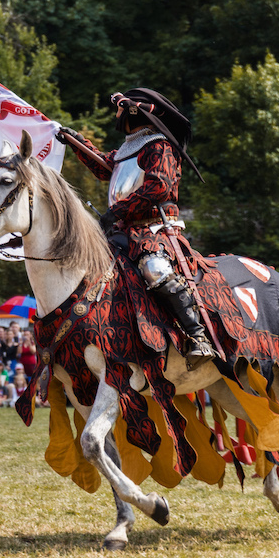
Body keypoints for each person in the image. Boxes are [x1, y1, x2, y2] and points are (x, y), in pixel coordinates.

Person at [63, 88, 215, 366]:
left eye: (120, 110)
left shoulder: (160, 145)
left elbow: (159, 187)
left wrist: (117, 210)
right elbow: (103, 167)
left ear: (134, 113)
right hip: (123, 229)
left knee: (154, 269)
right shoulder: (128, 148)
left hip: (154, 228)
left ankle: (198, 336)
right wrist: (76, 143)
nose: (116, 115)